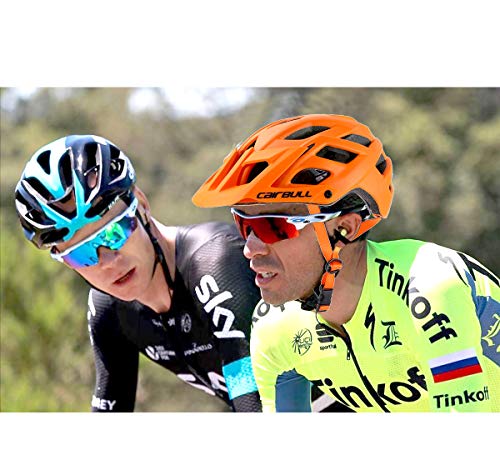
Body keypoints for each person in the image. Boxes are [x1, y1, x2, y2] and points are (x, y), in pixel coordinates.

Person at [192, 114, 500, 412]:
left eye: (272, 226)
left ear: (345, 228)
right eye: (244, 225)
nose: (250, 248)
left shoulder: (428, 286)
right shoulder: (273, 328)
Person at [14, 134, 339, 413]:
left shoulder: (215, 265)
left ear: (141, 205)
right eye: (80, 254)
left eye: (114, 233)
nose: (107, 261)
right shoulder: (109, 309)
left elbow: (257, 404)